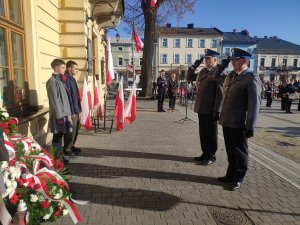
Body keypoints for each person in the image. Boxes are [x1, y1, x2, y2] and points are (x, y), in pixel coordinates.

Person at [218, 48, 261, 191]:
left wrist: (251, 126)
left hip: (239, 122)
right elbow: (216, 78)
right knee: (231, 150)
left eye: (235, 60)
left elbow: (254, 104)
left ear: (244, 61)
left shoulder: (251, 78)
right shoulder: (232, 76)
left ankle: (238, 178)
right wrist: (221, 66)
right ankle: (230, 174)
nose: (232, 62)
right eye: (232, 60)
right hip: (228, 120)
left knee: (240, 152)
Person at [193, 49, 229, 165]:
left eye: (208, 58)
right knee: (203, 133)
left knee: (211, 134)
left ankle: (211, 156)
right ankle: (205, 153)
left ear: (215, 60)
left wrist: (217, 110)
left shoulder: (219, 72)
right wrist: (193, 67)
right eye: (205, 58)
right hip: (201, 107)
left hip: (211, 108)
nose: (206, 60)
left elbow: (220, 93)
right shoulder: (203, 71)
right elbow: (190, 77)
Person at [46, 59, 73, 163]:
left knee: (60, 136)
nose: (64, 69)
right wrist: (58, 116)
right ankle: (55, 159)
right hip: (59, 115)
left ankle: (59, 157)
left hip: (64, 113)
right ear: (56, 68)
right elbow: (54, 100)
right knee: (57, 137)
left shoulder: (60, 80)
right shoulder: (52, 82)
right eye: (62, 67)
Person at [62, 60, 82, 156]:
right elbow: (68, 97)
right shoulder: (65, 78)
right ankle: (67, 149)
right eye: (76, 68)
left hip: (76, 109)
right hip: (71, 110)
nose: (77, 71)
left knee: (76, 130)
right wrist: (72, 111)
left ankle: (72, 146)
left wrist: (78, 109)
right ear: (69, 68)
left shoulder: (72, 78)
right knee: (70, 131)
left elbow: (75, 96)